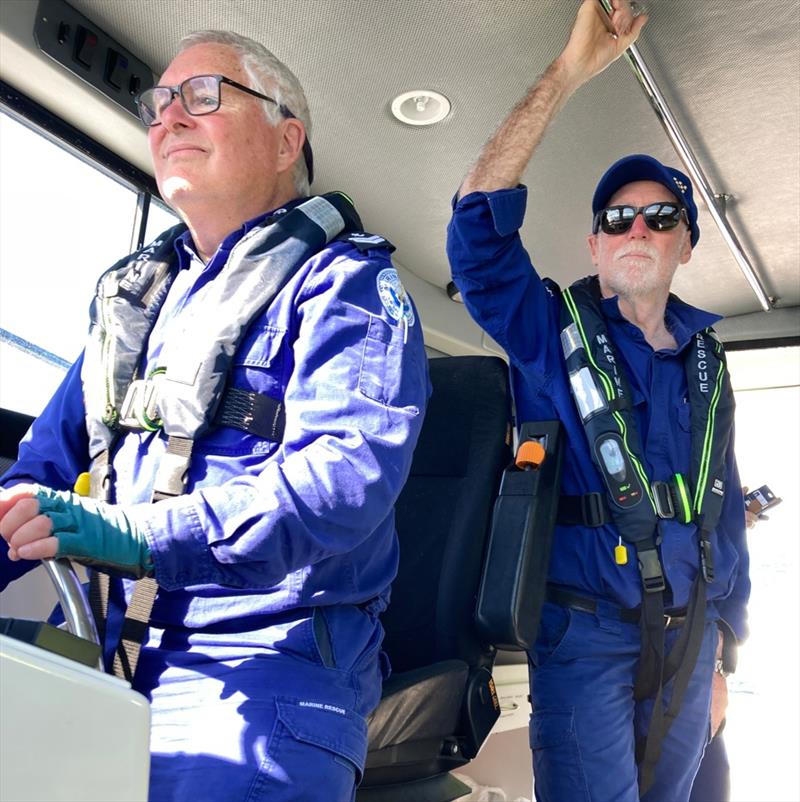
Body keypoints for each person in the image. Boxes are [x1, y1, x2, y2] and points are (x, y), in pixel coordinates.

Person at [0, 30, 429, 802]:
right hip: (119, 657)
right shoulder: (135, 304)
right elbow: (37, 476)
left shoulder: (348, 287)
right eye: (158, 105)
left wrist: (141, 535)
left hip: (269, 668)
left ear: (285, 137)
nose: (168, 119)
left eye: (203, 97)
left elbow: (344, 479)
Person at [446, 1, 749, 801]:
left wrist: (723, 656)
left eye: (660, 217)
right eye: (617, 218)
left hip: (691, 649)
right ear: (595, 245)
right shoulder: (550, 330)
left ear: (685, 243)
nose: (637, 227)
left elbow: (721, 520)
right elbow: (475, 234)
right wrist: (568, 72)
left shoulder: (709, 364)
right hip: (584, 639)